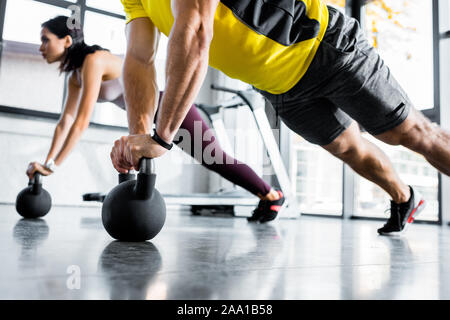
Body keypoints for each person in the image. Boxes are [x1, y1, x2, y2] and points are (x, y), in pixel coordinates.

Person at [110, 0, 450, 235]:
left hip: (325, 47)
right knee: (349, 149)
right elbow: (139, 60)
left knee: (409, 133)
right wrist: (137, 142)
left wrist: (161, 137)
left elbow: (196, 28)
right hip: (279, 86)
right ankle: (404, 198)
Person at [26, 15, 285, 223]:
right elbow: (66, 121)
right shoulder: (75, 77)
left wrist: (53, 166)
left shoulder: (93, 61)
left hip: (167, 108)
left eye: (45, 40)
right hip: (147, 117)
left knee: (214, 159)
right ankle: (266, 194)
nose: (41, 47)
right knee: (211, 159)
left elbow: (81, 121)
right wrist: (48, 163)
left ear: (67, 40)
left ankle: (271, 195)